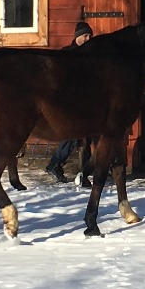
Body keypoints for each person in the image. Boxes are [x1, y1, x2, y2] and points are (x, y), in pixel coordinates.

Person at [46, 19, 95, 185]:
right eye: (85, 36)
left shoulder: (90, 54)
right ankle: (56, 164)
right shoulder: (67, 54)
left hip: (86, 101)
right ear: (77, 37)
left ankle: (84, 172)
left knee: (85, 136)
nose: (88, 39)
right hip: (69, 101)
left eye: (90, 36)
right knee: (75, 135)